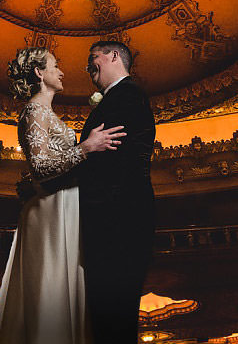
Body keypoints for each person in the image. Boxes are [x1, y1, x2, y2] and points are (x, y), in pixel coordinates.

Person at [0, 47, 126, 344]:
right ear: (39, 73)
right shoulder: (34, 110)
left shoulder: (45, 112)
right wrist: (86, 147)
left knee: (61, 287)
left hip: (63, 204)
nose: (61, 72)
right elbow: (39, 167)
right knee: (49, 290)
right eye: (55, 66)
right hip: (49, 207)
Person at [79, 40, 156, 343]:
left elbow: (111, 165)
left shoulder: (127, 96)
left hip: (117, 221)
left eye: (93, 57)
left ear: (113, 56)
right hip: (118, 220)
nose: (88, 66)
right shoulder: (122, 97)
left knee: (112, 317)